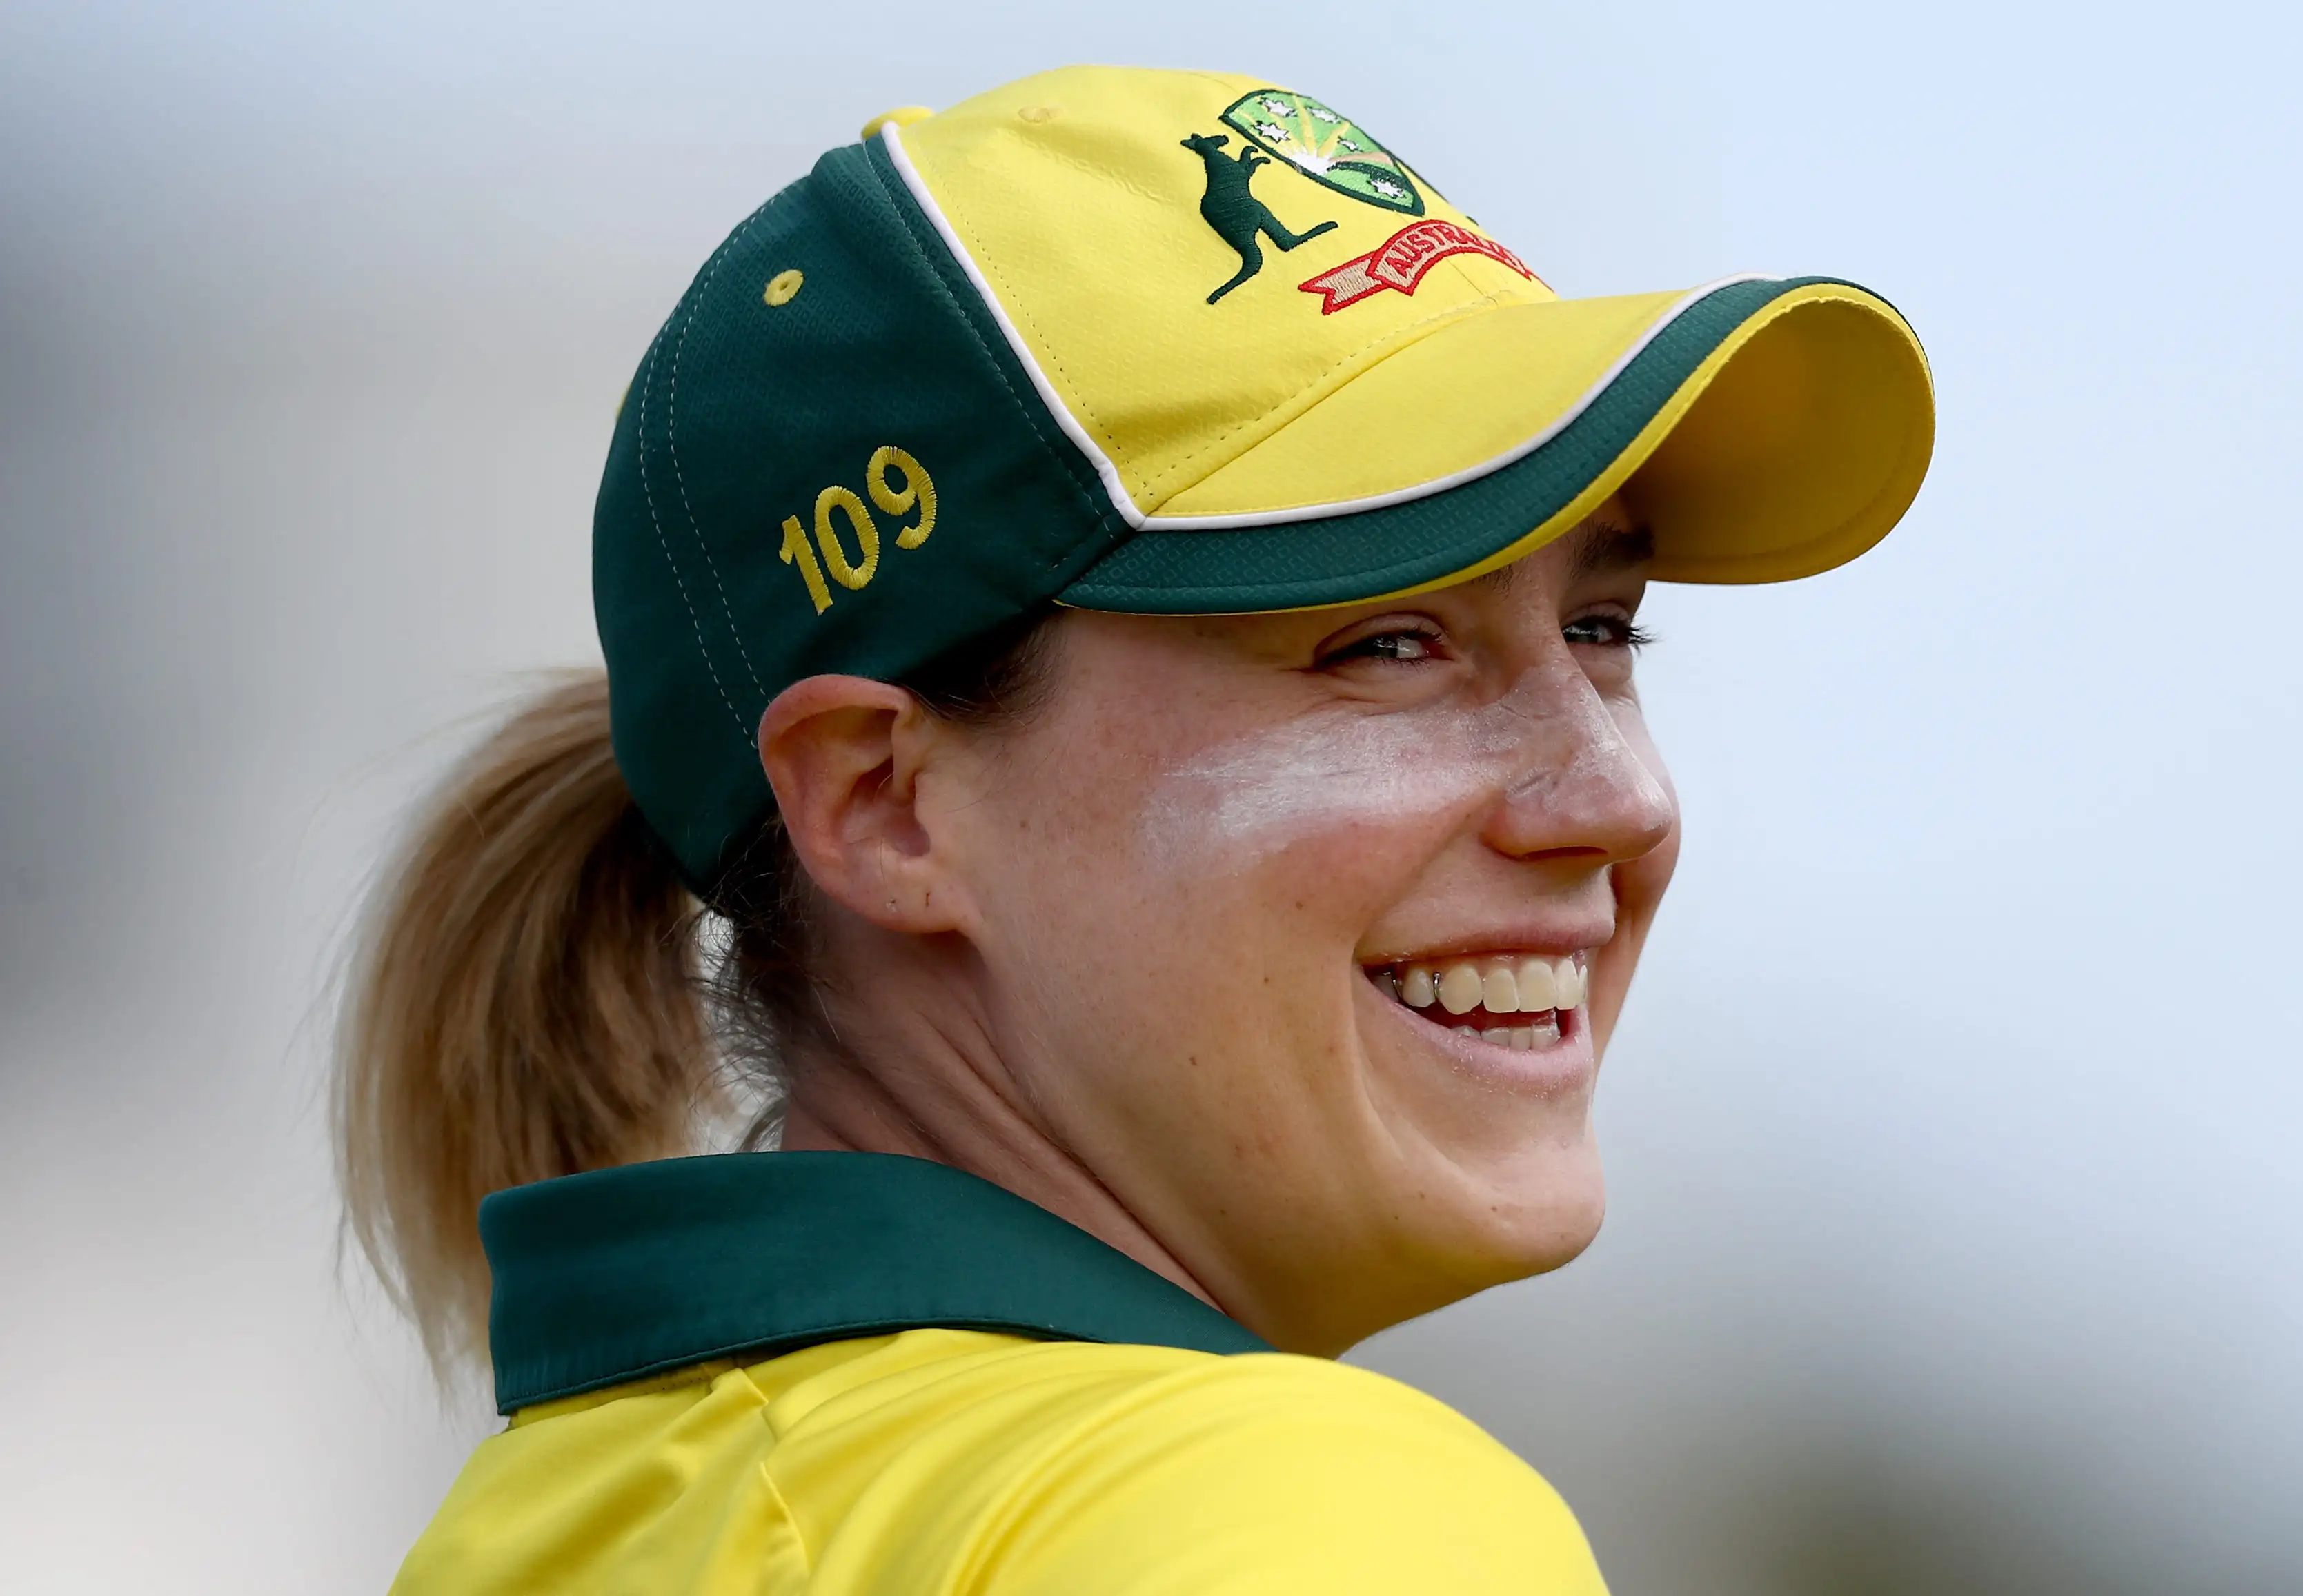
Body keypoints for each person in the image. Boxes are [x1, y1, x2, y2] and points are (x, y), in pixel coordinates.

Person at [340, 62, 1930, 1593]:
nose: (1618, 800)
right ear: (885, 803)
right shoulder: (1306, 1518)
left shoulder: (552, 1518)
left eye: (1603, 628)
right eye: (1385, 642)